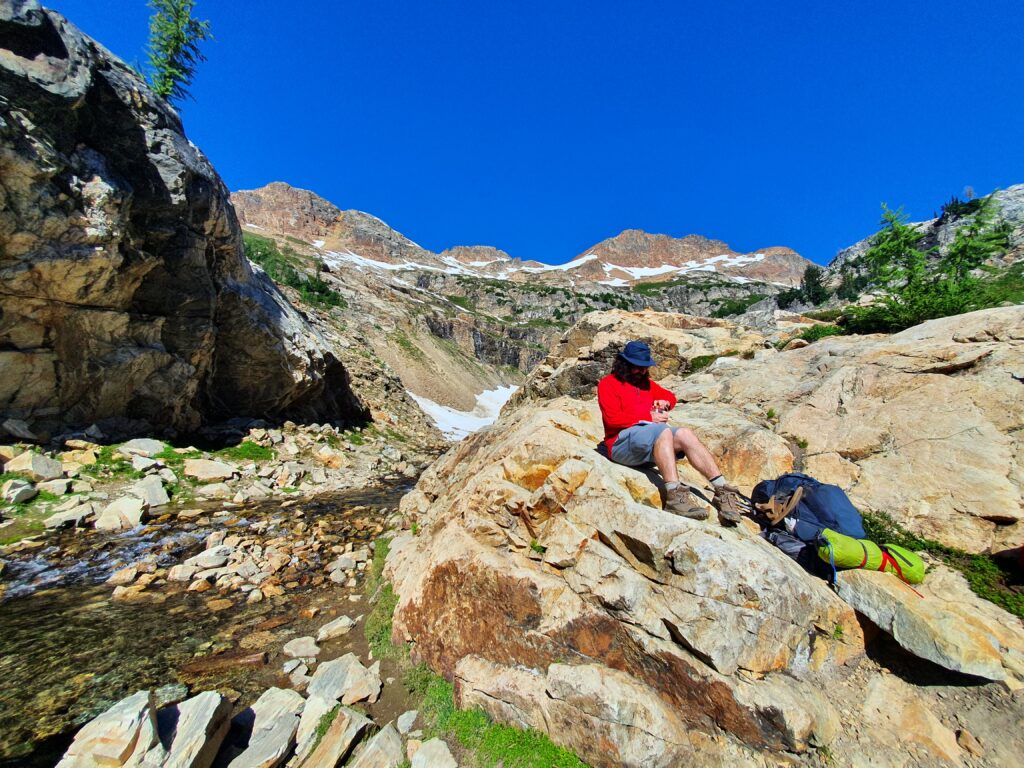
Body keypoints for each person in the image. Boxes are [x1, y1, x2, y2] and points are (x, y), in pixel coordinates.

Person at [597, 340, 744, 523]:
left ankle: (721, 490)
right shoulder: (608, 384)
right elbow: (612, 419)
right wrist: (648, 417)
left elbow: (669, 397)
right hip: (620, 443)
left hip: (646, 444)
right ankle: (674, 497)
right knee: (663, 431)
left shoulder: (646, 384)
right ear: (624, 364)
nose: (642, 372)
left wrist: (664, 402)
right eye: (637, 367)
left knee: (685, 434)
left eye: (644, 368)